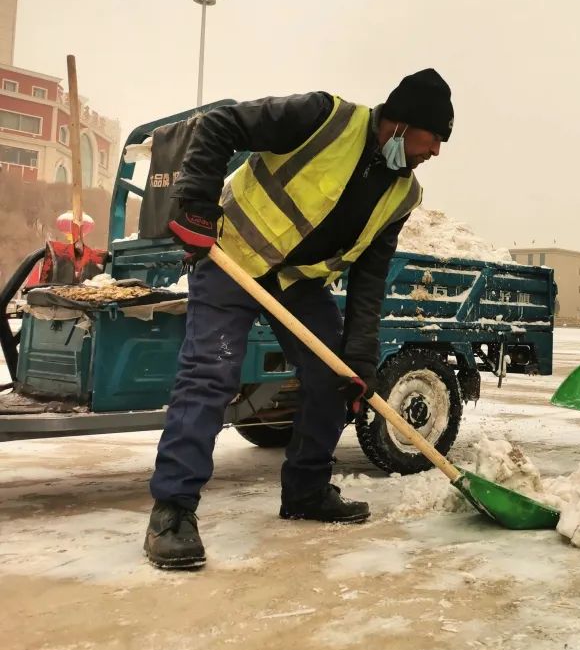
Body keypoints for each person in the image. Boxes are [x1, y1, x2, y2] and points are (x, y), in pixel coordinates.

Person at [144, 69, 454, 570]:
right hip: (233, 255)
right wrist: (196, 202)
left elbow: (369, 281)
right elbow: (221, 124)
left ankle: (306, 491)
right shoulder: (322, 117)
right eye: (435, 137)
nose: (436, 151)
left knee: (335, 377)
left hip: (295, 283)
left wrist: (359, 357)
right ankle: (173, 511)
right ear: (400, 124)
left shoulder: (403, 195)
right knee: (210, 373)